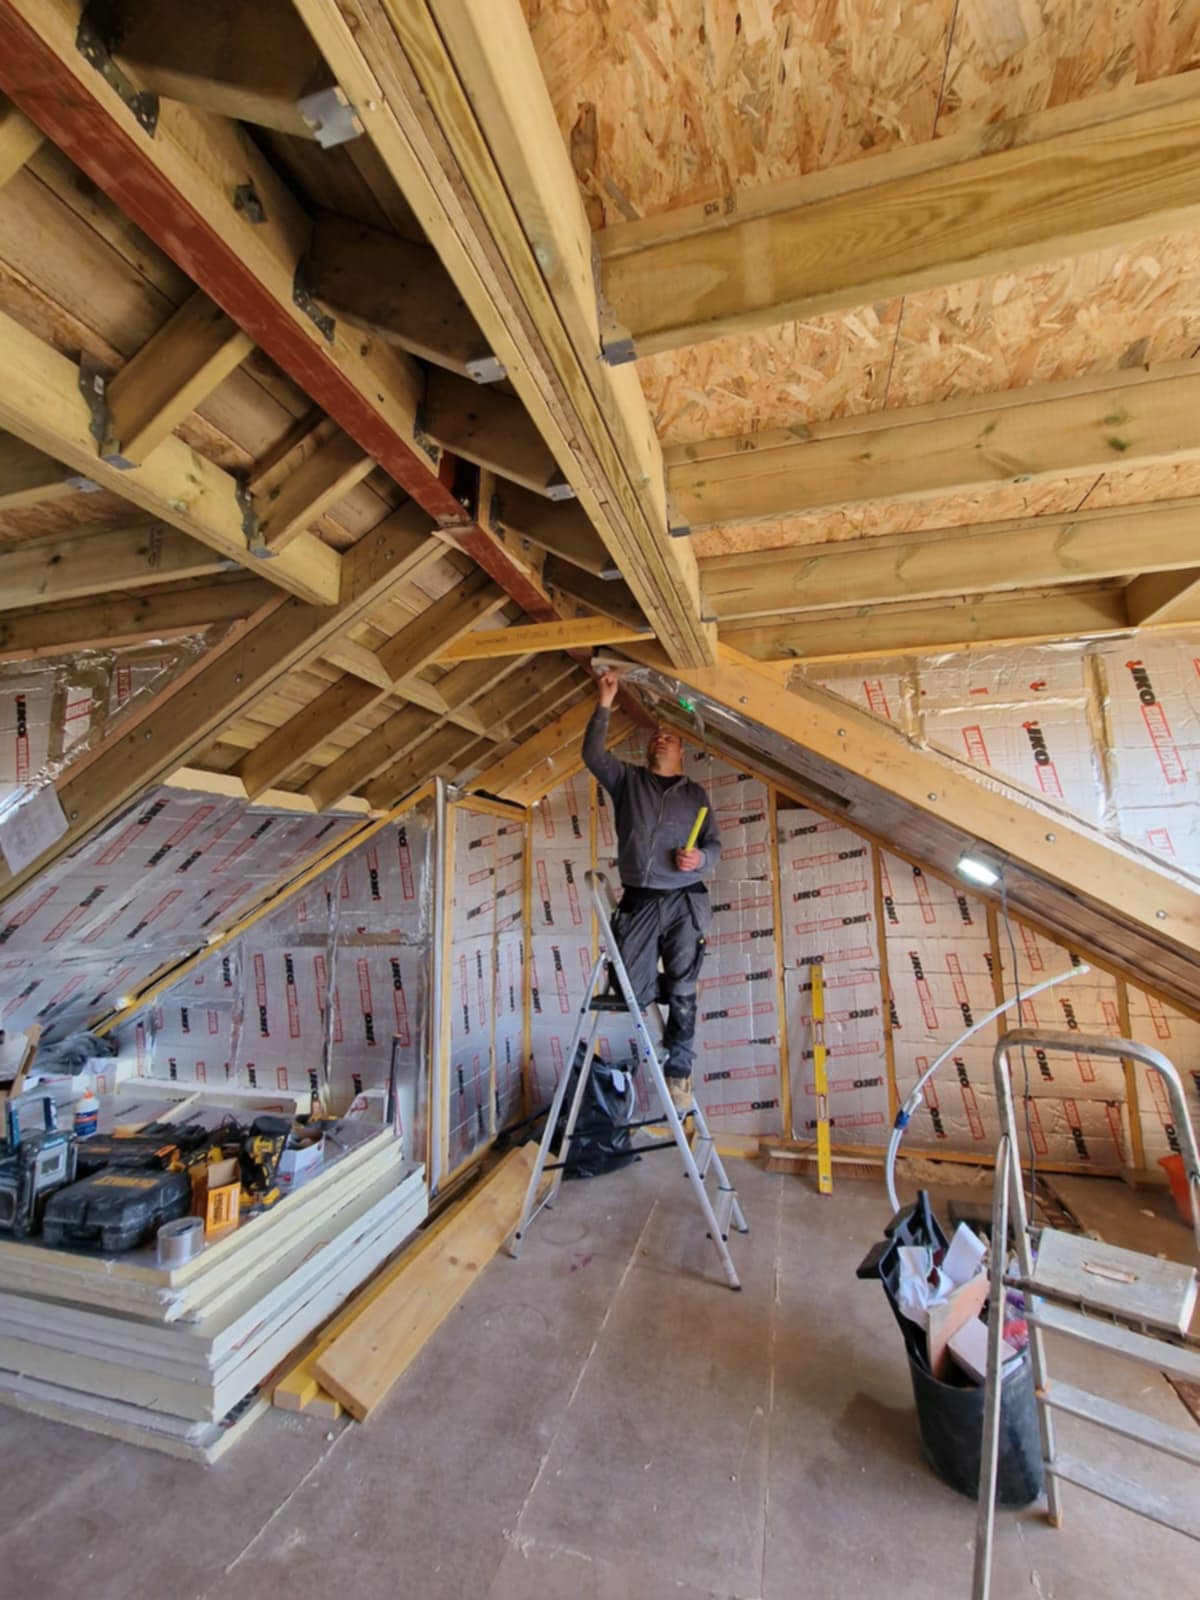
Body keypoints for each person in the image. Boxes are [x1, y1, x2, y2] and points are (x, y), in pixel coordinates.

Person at [582, 668, 722, 1114]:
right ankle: (663, 990)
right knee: (632, 991)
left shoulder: (695, 795)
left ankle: (680, 1072)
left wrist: (700, 859)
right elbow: (592, 754)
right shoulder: (628, 781)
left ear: (682, 751)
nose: (660, 739)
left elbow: (714, 845)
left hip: (686, 900)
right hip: (641, 899)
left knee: (684, 988)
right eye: (655, 736)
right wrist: (605, 701)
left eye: (670, 737)